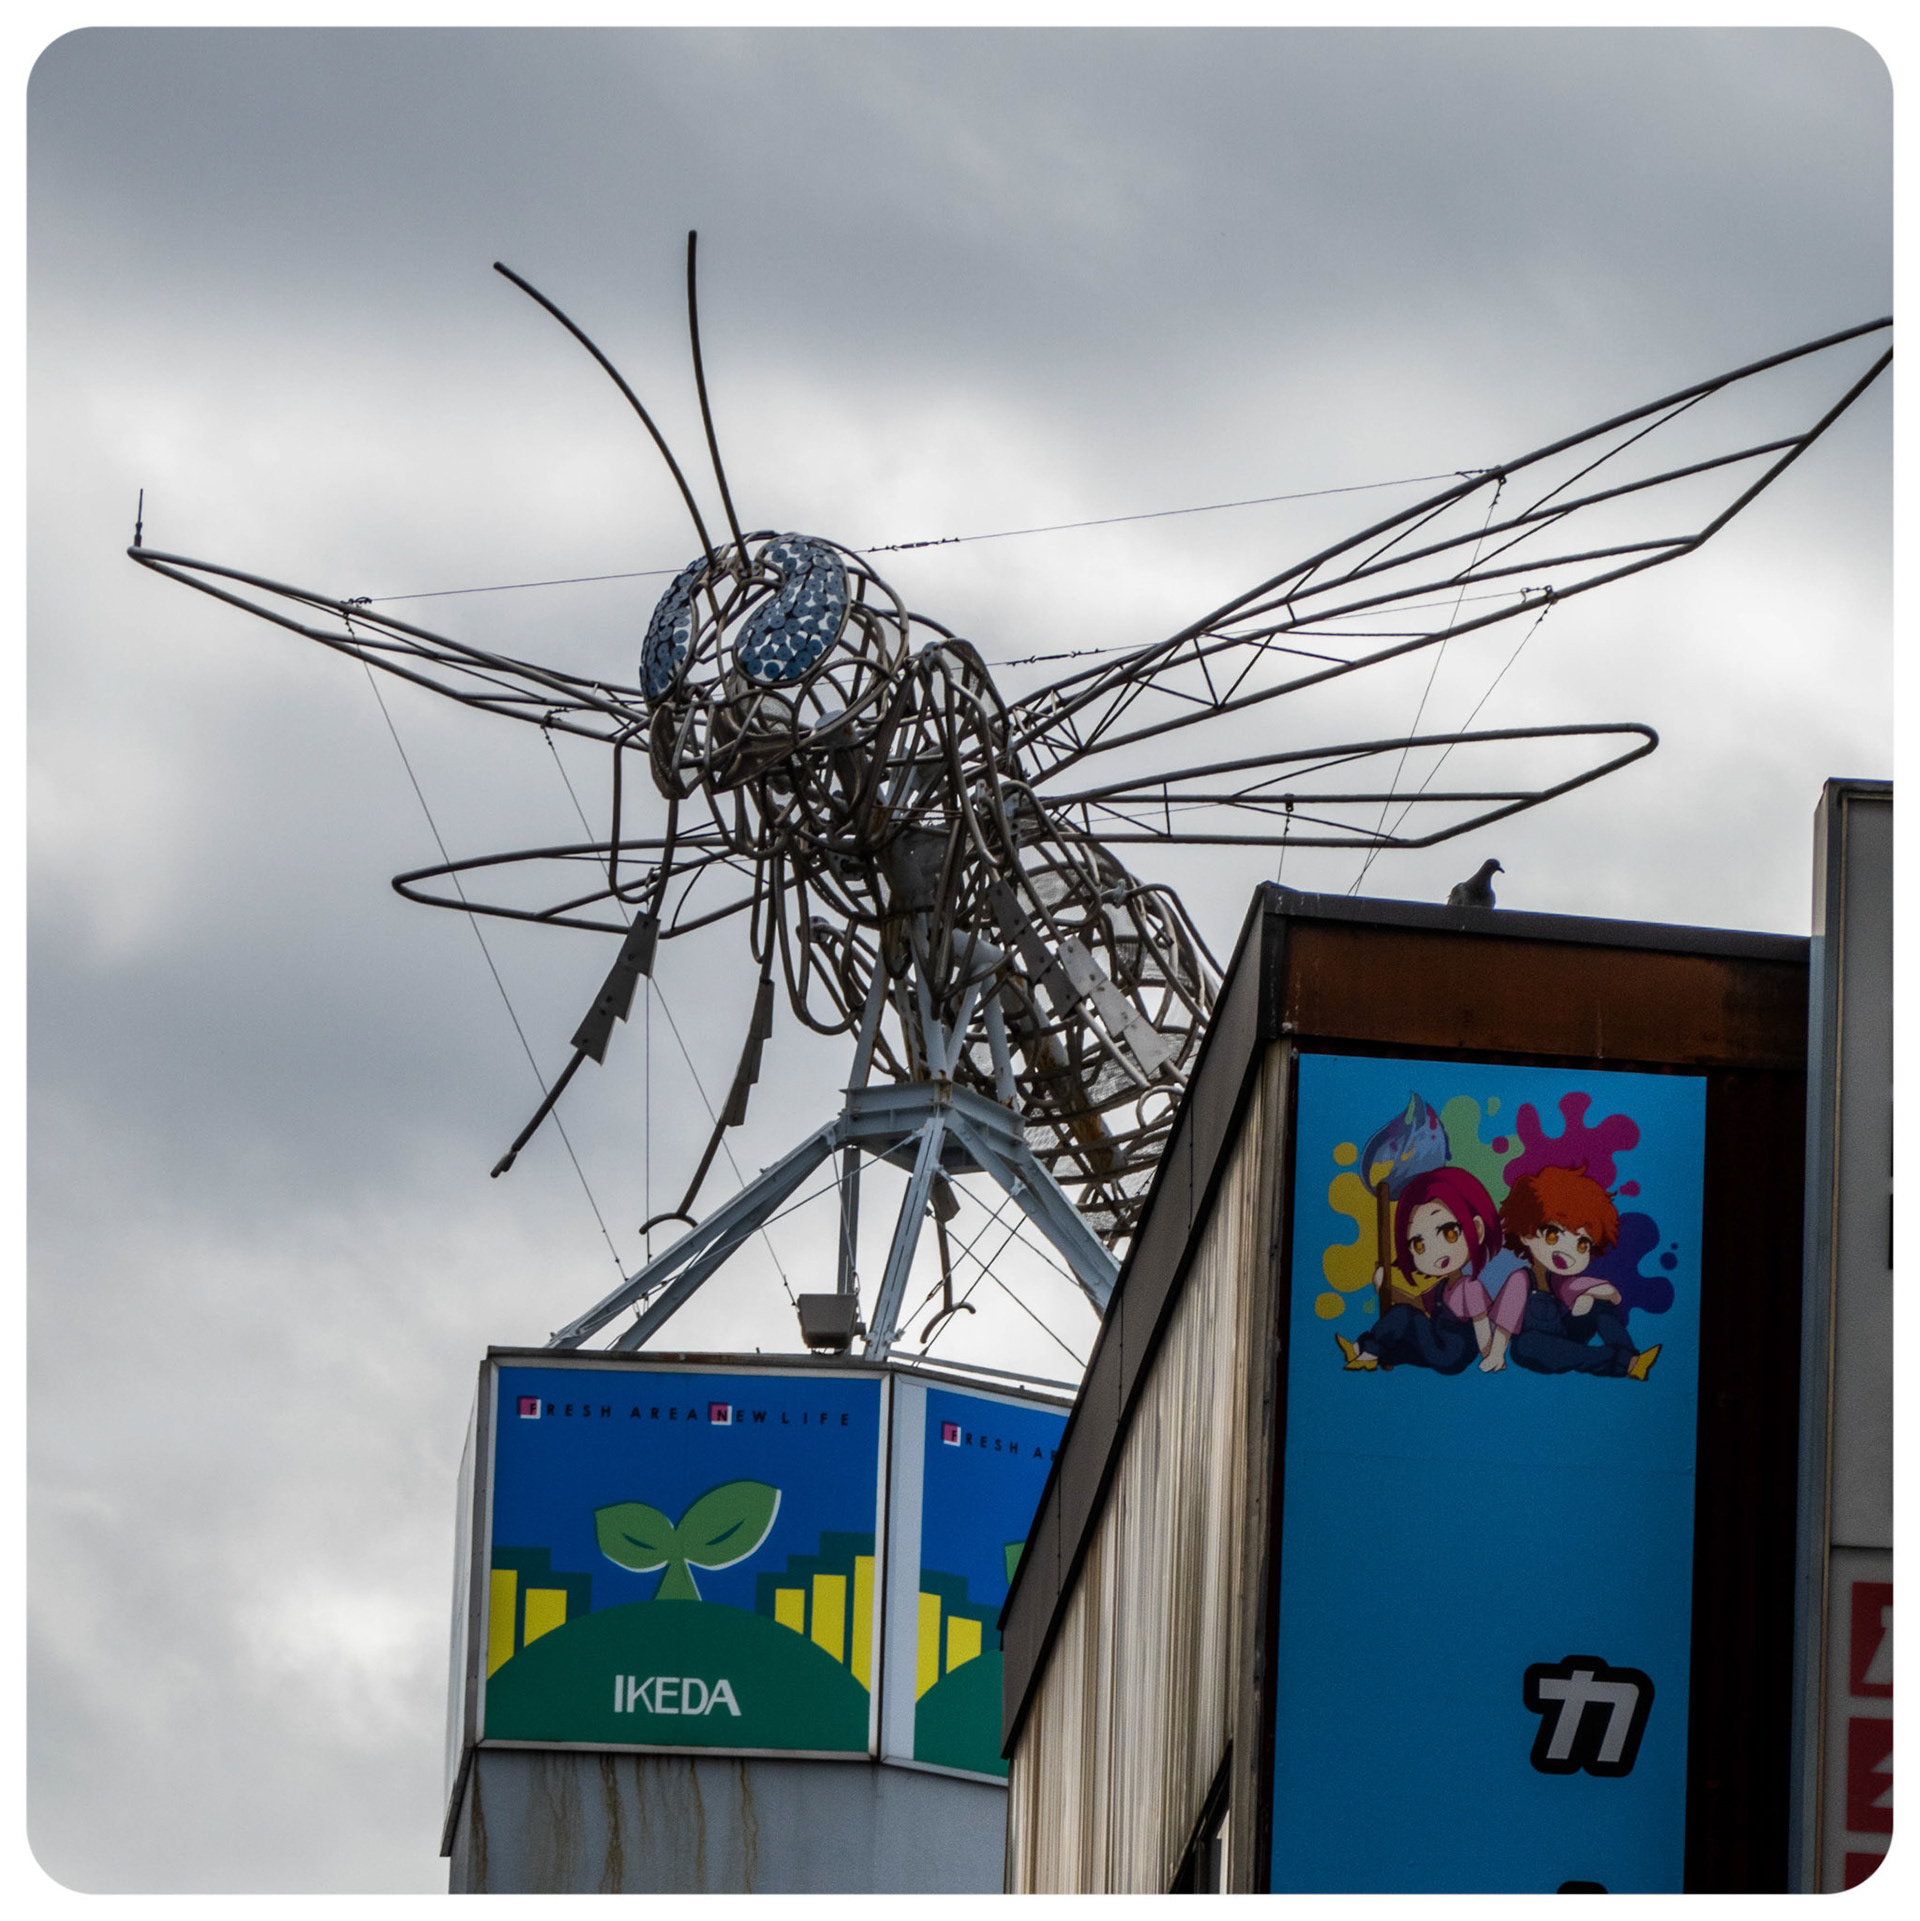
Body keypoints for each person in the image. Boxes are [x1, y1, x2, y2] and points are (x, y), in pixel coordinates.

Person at [1491, 1164, 1660, 1380]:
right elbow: (1505, 1321)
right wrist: (1496, 1354)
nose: (1567, 1251)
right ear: (1526, 1234)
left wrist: (1592, 1296)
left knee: (1597, 1303)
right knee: (1527, 1344)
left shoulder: (1558, 1280)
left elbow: (1596, 1292)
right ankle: (1624, 1362)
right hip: (1535, 1348)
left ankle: (1629, 1356)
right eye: (1553, 1235)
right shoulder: (1521, 1279)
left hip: (1562, 1338)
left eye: (1582, 1245)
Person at [1336, 1164, 1503, 1373]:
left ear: (1477, 1229)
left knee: (1405, 1316)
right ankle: (1368, 1355)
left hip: (1452, 1353)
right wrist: (1383, 1288)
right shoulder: (1441, 1288)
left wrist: (1489, 1357)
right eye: (1419, 1245)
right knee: (1400, 1347)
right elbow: (1414, 1302)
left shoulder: (1470, 1288)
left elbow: (1481, 1324)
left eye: (1449, 1233)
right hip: (1438, 1349)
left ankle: (1362, 1349)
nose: (1435, 1251)